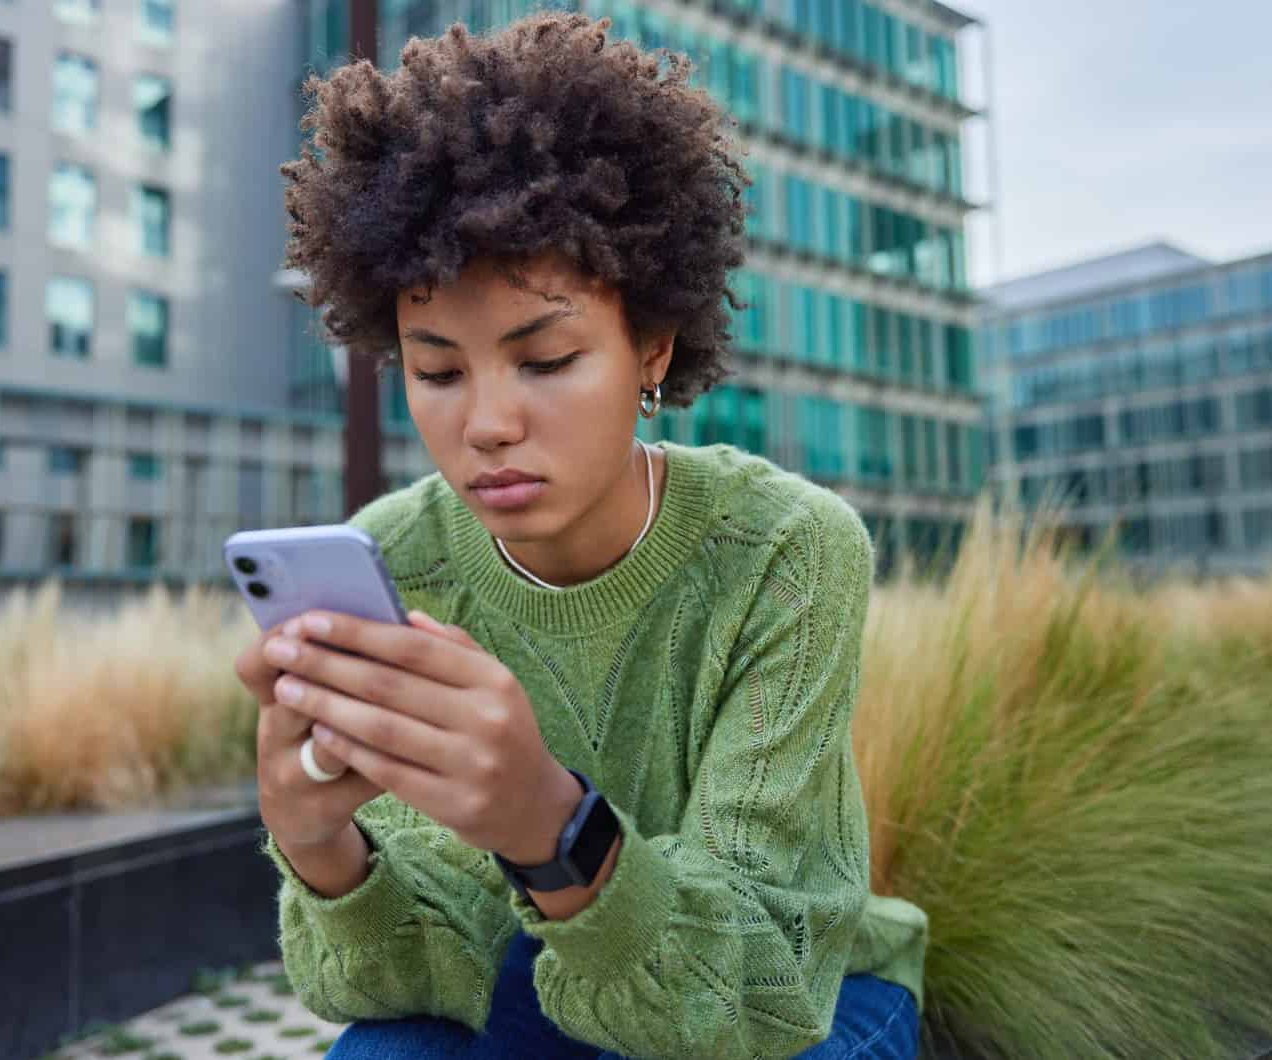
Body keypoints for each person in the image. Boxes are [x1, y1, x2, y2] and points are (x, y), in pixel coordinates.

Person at [232, 14, 927, 1059]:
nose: (486, 423)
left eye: (546, 359)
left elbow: (754, 994)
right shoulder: (399, 553)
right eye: (437, 370)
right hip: (536, 975)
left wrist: (548, 823)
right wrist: (320, 844)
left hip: (801, 994)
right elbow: (413, 980)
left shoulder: (785, 550)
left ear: (652, 345)